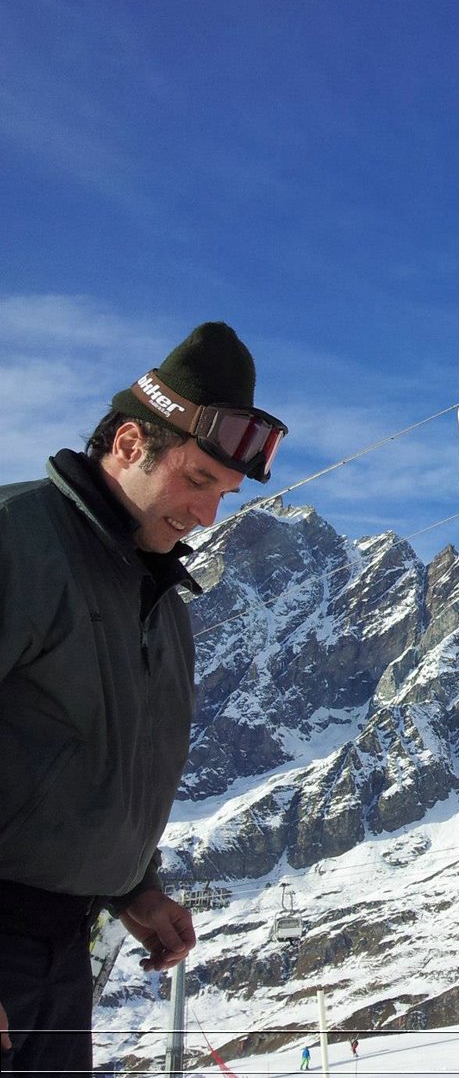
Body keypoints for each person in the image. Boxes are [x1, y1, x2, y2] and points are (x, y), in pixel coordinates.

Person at [0, 322, 286, 1075]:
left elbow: (85, 762)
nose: (206, 517)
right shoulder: (18, 542)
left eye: (222, 496)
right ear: (130, 443)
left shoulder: (158, 597)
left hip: (62, 955)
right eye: (197, 482)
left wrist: (134, 888)